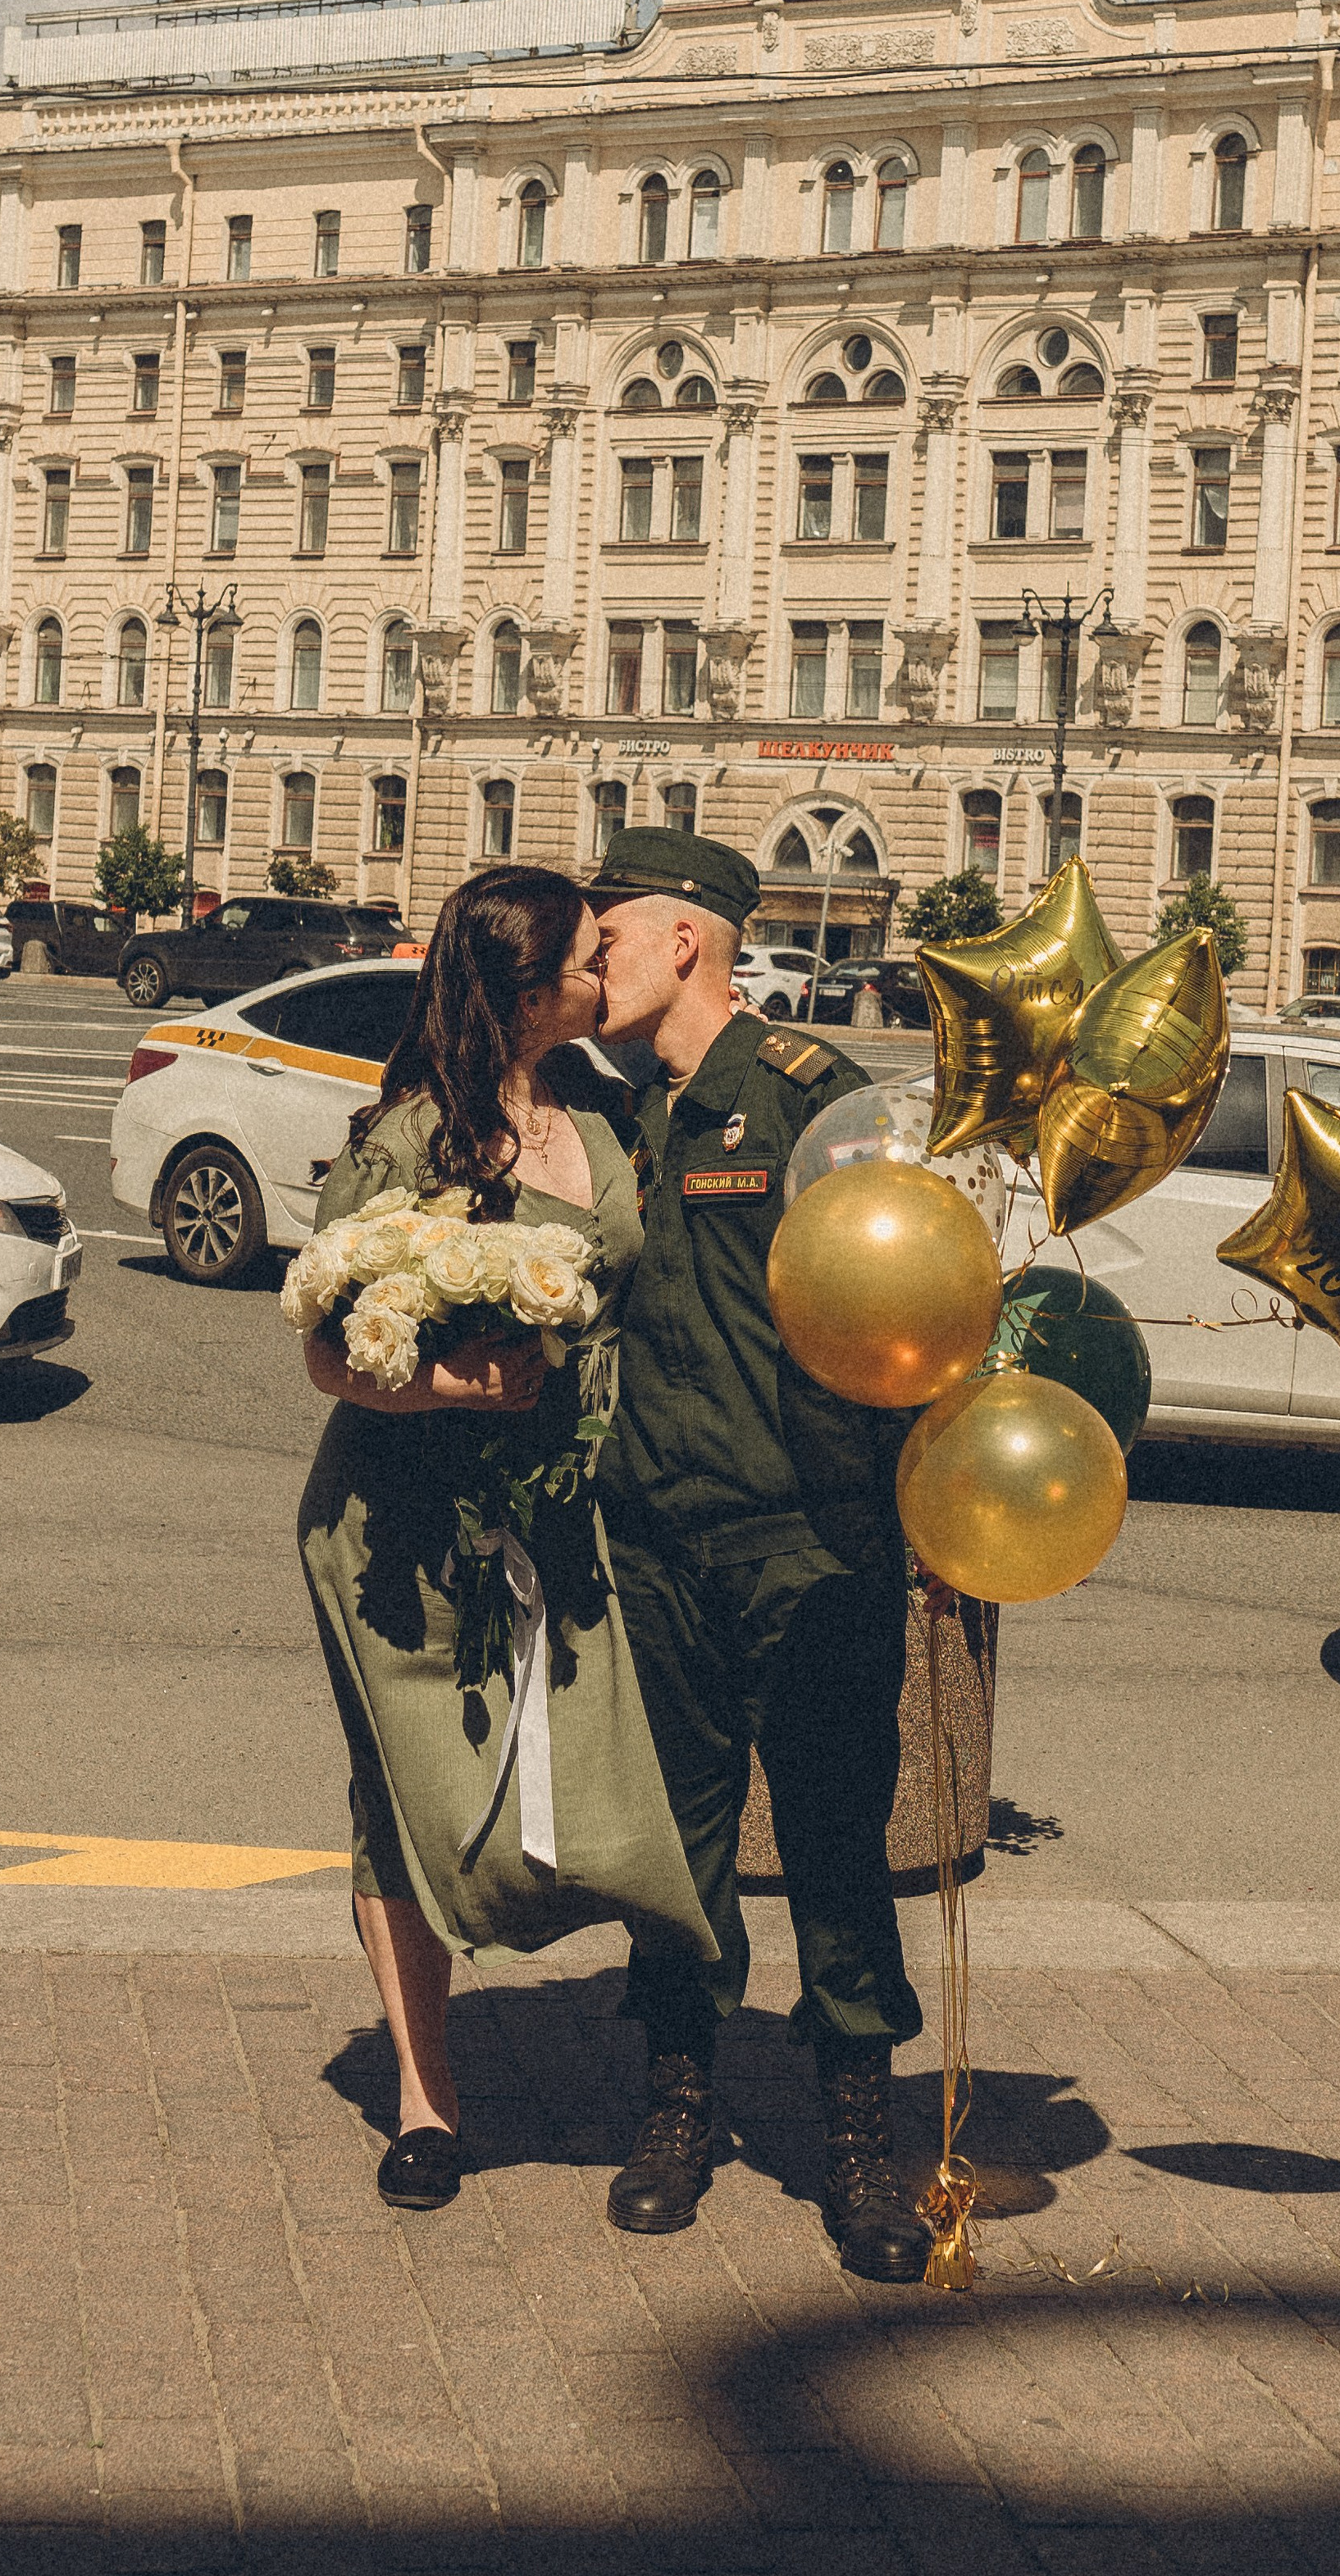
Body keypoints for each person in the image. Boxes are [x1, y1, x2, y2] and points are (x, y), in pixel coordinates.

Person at [296, 863, 714, 2212]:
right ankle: (428, 2102)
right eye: (591, 960)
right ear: (527, 991)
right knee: (403, 1795)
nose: (612, 974)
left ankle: (659, 2045)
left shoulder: (609, 1111)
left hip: (564, 1502)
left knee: (590, 1777)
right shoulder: (405, 1141)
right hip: (404, 1520)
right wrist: (450, 1384)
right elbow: (326, 1348)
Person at [587, 826, 931, 2285]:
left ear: (686, 942)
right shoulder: (616, 1114)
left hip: (810, 1539)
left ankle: (859, 2139)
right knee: (676, 1847)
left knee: (840, 1842)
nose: (588, 962)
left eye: (608, 938)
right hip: (654, 1534)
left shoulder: (815, 1107)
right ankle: (679, 2107)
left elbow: (911, 1315)